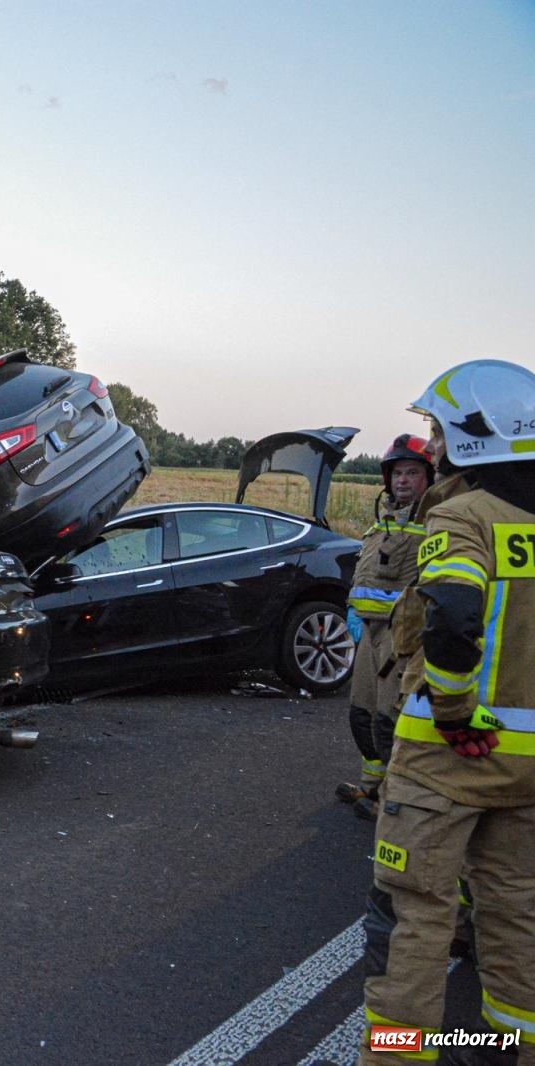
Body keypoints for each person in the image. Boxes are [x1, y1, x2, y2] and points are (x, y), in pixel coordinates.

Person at [355, 359, 535, 1066]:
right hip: (528, 771)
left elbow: (454, 613)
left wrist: (457, 714)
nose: (428, 448)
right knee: (516, 914)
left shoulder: (464, 516)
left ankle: (398, 1056)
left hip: (447, 760)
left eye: (437, 432)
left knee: (412, 918)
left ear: (475, 439)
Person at [336, 434, 435, 820]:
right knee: (362, 713)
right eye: (397, 473)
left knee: (390, 720)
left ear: (429, 476)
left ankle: (394, 801)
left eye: (412, 473)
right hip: (369, 632)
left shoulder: (433, 521)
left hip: (401, 636)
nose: (403, 481)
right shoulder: (384, 521)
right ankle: (372, 786)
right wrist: (353, 614)